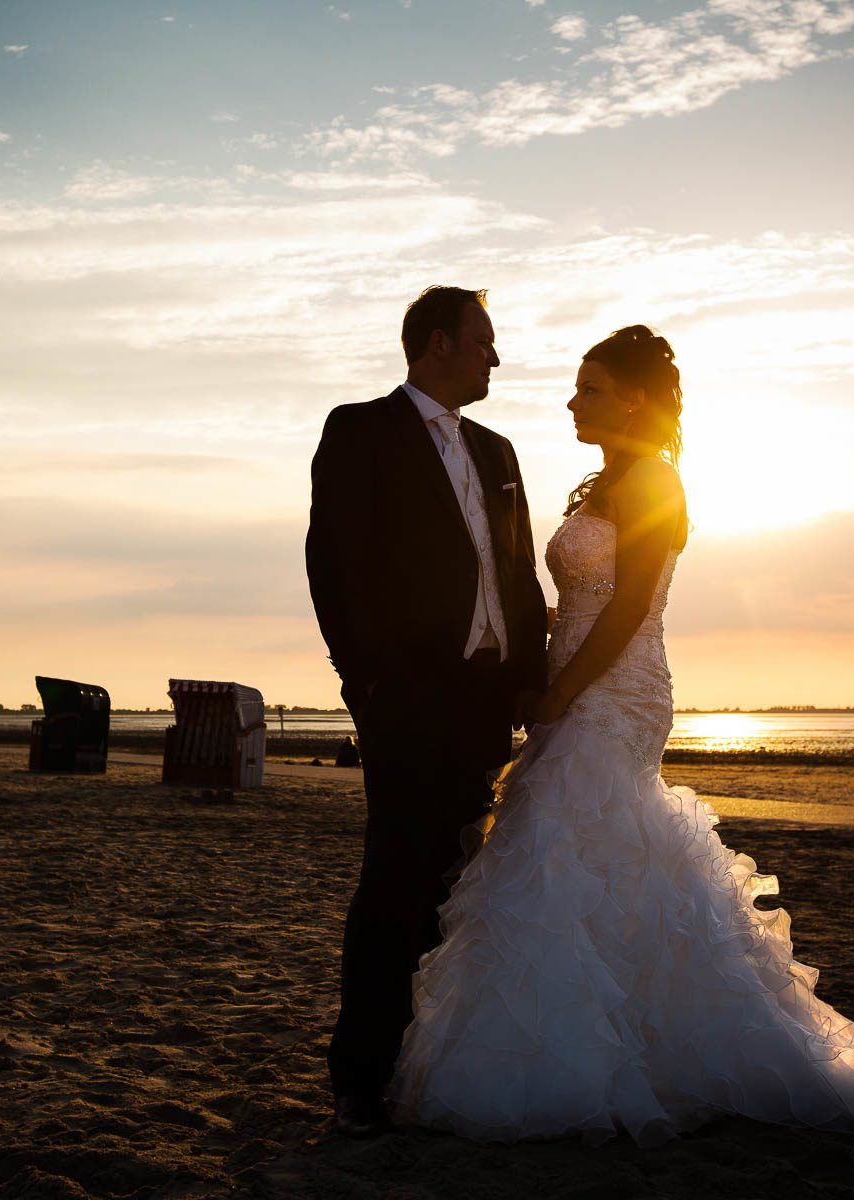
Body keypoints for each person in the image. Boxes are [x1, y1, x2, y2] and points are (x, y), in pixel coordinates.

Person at [387, 325, 854, 1143]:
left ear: (635, 397)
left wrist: (561, 692)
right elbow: (575, 603)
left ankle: (590, 1062)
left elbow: (629, 607)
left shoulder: (656, 482)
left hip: (619, 691)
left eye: (591, 387)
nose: (573, 400)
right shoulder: (602, 485)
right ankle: (608, 1043)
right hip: (573, 688)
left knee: (567, 845)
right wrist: (531, 667)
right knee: (578, 856)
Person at [306, 286, 550, 1137]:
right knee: (395, 878)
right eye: (485, 340)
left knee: (459, 883)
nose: (496, 356)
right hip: (405, 697)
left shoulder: (498, 449)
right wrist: (365, 683)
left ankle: (430, 1057)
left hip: (487, 698)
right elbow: (332, 561)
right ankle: (361, 1077)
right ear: (438, 343)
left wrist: (531, 675)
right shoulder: (359, 430)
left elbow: (517, 578)